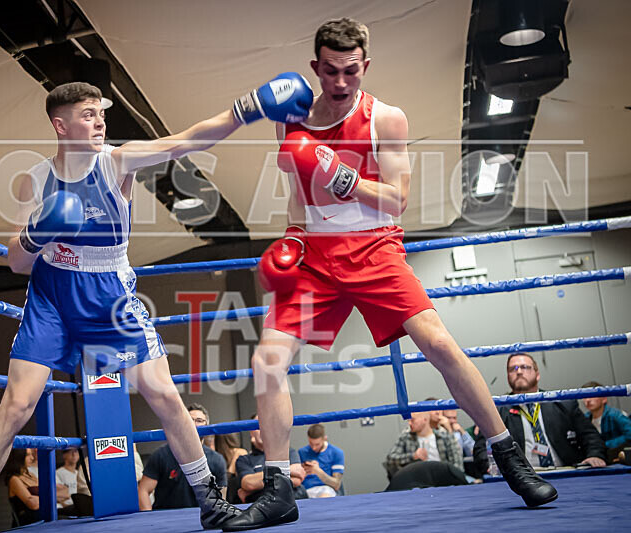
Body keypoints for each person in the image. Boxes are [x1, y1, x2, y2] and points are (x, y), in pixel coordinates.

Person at [222, 17, 557, 531]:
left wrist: (345, 177)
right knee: (267, 360)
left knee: (440, 345)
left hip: (376, 246)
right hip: (315, 253)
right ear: (316, 67)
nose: (339, 82)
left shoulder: (387, 118)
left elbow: (398, 200)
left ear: (365, 66)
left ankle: (510, 459)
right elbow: (297, 194)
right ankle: (277, 489)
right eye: (330, 71)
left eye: (350, 71)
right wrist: (292, 233)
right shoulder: (291, 118)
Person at [0, 75, 312, 532]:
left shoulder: (117, 161)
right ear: (61, 125)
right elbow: (17, 261)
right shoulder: (35, 179)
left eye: (101, 113)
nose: (99, 122)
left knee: (163, 394)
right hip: (51, 295)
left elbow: (185, 141)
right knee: (16, 405)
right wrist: (39, 231)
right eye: (88, 115)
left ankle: (211, 501)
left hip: (107, 293)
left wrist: (245, 109)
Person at [475, 354, 607, 468]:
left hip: (566, 471)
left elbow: (591, 436)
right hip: (520, 480)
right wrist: (491, 467)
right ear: (508, 376)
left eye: (525, 367)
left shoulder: (562, 403)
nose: (519, 371)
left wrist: (595, 456)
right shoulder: (497, 410)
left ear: (537, 375)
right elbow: (481, 449)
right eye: (512, 369)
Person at [137, 404, 228, 511]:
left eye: (199, 420)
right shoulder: (161, 455)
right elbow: (143, 490)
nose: (193, 424)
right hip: (166, 519)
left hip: (201, 518)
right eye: (189, 420)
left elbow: (221, 497)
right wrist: (150, 520)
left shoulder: (216, 459)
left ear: (207, 425)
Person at [234, 415, 306, 504]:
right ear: (251, 432)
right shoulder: (244, 460)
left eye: (267, 426)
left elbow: (297, 479)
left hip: (294, 500)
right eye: (258, 427)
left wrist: (257, 484)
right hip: (262, 504)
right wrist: (288, 470)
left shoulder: (288, 451)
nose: (263, 431)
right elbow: (249, 483)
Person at [385, 412, 464, 479]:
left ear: (425, 420)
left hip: (443, 479)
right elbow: (391, 458)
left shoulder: (444, 436)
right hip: (416, 481)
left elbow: (457, 463)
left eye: (412, 420)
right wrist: (413, 456)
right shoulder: (406, 436)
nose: (409, 423)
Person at [581, 381, 631, 457]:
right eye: (584, 396)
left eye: (592, 395)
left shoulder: (616, 415)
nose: (588, 400)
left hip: (618, 456)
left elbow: (629, 435)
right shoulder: (584, 418)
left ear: (604, 398)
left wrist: (604, 445)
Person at [297, 424, 343, 498]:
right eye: (311, 444)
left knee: (324, 497)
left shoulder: (336, 452)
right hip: (305, 491)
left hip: (325, 489)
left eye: (317, 444)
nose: (314, 448)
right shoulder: (302, 452)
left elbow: (336, 484)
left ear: (325, 439)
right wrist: (303, 470)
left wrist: (318, 471)